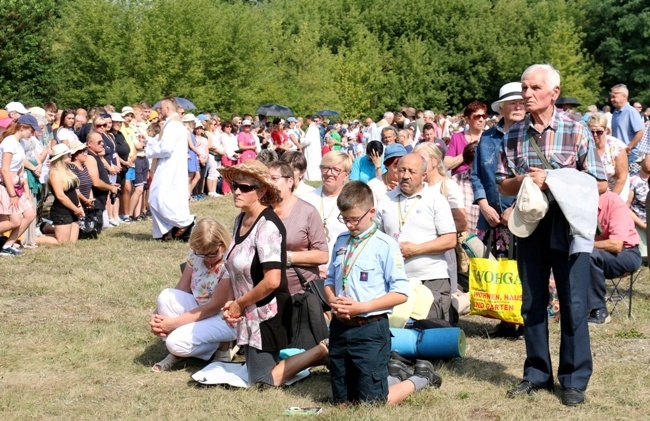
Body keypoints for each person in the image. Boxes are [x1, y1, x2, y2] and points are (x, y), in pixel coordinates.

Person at [496, 64, 608, 406]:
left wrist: (554, 179)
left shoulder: (577, 130)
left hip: (569, 225)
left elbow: (600, 183)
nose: (526, 94)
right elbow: (503, 183)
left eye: (533, 88)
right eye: (524, 88)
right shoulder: (513, 134)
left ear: (554, 93)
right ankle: (536, 374)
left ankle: (573, 379)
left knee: (574, 304)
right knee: (531, 302)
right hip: (530, 225)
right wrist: (525, 181)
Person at [325, 181, 440, 405]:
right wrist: (332, 301)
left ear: (372, 212)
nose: (349, 225)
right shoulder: (341, 242)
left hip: (369, 329)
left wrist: (362, 307)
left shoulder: (385, 246)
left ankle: (420, 378)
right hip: (340, 327)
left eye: (354, 219)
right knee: (342, 401)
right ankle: (394, 374)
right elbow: (329, 280)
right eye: (344, 218)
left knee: (373, 402)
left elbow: (400, 293)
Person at [219, 160, 328, 386]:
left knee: (262, 380)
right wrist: (233, 304)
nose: (237, 191)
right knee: (253, 371)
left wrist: (239, 304)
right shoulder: (241, 219)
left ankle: (321, 351)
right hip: (248, 311)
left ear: (261, 191)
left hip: (267, 313)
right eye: (234, 186)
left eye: (245, 187)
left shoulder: (267, 225)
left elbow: (272, 281)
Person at [470, 81, 526, 338]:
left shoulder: (529, 134)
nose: (518, 106)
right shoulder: (488, 138)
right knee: (498, 267)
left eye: (521, 102)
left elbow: (532, 178)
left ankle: (525, 319)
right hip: (491, 217)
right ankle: (504, 319)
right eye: (511, 102)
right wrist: (483, 204)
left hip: (523, 215)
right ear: (501, 108)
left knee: (524, 267)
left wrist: (515, 207)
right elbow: (476, 175)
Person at [375, 154, 457, 322]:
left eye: (412, 171)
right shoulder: (386, 199)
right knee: (397, 332)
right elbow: (375, 237)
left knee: (432, 334)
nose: (405, 176)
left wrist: (416, 249)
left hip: (431, 278)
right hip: (394, 280)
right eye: (402, 170)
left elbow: (450, 240)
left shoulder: (436, 200)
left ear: (424, 175)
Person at [149, 217, 238, 372]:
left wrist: (173, 323)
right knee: (166, 296)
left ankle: (222, 343)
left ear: (222, 245)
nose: (207, 259)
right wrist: (156, 316)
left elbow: (215, 306)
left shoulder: (229, 262)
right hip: (201, 307)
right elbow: (181, 290)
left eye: (211, 254)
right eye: (201, 254)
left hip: (224, 317)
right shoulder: (195, 256)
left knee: (174, 343)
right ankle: (195, 348)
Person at [268, 162, 329, 348]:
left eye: (274, 179)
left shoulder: (307, 212)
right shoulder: (262, 212)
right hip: (268, 291)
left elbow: (322, 255)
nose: (269, 183)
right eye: (266, 179)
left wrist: (287, 258)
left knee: (300, 347)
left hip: (300, 295)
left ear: (289, 181)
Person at [588, 191, 641, 324]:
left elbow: (616, 245)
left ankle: (600, 311)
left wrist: (585, 245)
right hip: (601, 253)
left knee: (589, 256)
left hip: (627, 253)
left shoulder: (613, 202)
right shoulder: (580, 201)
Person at [146, 98, 195, 241]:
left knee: (157, 198)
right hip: (170, 165)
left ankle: (185, 222)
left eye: (160, 109)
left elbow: (166, 148)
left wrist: (148, 148)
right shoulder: (173, 124)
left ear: (167, 109)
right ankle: (167, 232)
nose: (158, 112)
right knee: (166, 198)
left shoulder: (173, 125)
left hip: (169, 166)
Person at [301, 152, 353, 269]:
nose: (329, 173)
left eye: (336, 170)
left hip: (343, 268)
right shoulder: (306, 199)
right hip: (311, 269)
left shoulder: (353, 201)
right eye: (325, 168)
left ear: (346, 174)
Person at [0, 116, 39, 255]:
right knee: (14, 221)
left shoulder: (20, 143)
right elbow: (4, 169)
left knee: (30, 214)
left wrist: (26, 190)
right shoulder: (9, 142)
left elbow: (20, 168)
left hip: (17, 184)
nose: (32, 133)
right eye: (32, 130)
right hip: (6, 184)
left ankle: (8, 245)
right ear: (23, 128)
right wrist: (12, 194)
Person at [587, 113, 629, 202]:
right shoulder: (584, 145)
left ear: (606, 130)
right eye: (592, 131)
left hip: (615, 186)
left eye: (599, 132)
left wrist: (610, 199)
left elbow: (621, 178)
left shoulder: (617, 148)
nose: (595, 135)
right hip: (593, 188)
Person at [47, 144, 84, 244]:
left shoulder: (68, 170)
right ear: (60, 157)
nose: (70, 155)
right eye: (67, 154)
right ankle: (33, 239)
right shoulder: (55, 173)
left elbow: (74, 191)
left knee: (72, 242)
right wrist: (76, 209)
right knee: (62, 242)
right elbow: (60, 195)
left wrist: (79, 205)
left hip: (74, 208)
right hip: (62, 210)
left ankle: (47, 229)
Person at [444, 101, 488, 176]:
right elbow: (446, 165)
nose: (481, 120)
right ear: (467, 119)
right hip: (459, 182)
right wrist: (468, 153)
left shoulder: (489, 137)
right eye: (477, 117)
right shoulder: (457, 138)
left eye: (483, 116)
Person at [610, 84, 645, 169]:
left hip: (630, 155)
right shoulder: (616, 112)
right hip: (618, 154)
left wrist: (629, 147)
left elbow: (641, 131)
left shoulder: (631, 111)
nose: (612, 99)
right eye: (611, 97)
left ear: (624, 96)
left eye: (614, 96)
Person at [302, 115, 322, 182]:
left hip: (311, 149)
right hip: (314, 148)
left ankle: (311, 177)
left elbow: (308, 140)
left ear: (309, 120)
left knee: (311, 163)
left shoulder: (311, 128)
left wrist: (301, 140)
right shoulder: (315, 128)